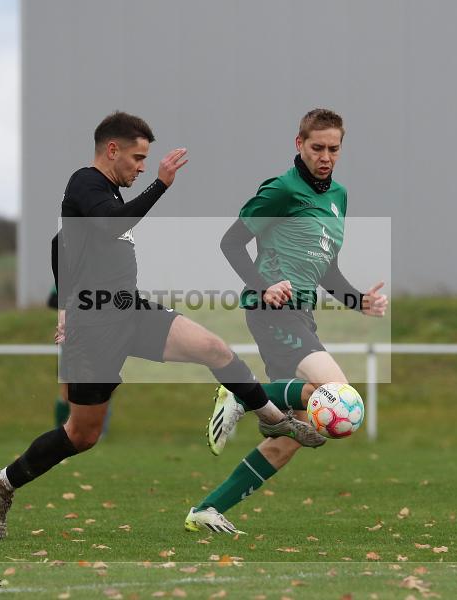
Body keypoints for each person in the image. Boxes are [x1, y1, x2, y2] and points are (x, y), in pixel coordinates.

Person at [0, 111, 324, 540]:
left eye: (147, 161)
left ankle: (273, 418)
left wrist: (64, 301)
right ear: (112, 149)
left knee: (214, 349)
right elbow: (107, 228)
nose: (142, 166)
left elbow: (60, 243)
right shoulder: (84, 183)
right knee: (82, 434)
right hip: (94, 328)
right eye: (138, 158)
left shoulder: (104, 192)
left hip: (131, 309)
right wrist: (159, 183)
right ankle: (3, 483)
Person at [185, 109, 389, 534]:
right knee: (335, 393)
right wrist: (263, 285)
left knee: (290, 437)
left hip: (303, 315)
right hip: (273, 309)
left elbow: (327, 269)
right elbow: (232, 243)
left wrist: (358, 301)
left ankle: (206, 509)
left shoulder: (339, 197)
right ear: (299, 144)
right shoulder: (281, 190)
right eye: (317, 147)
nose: (326, 156)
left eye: (334, 149)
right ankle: (241, 397)